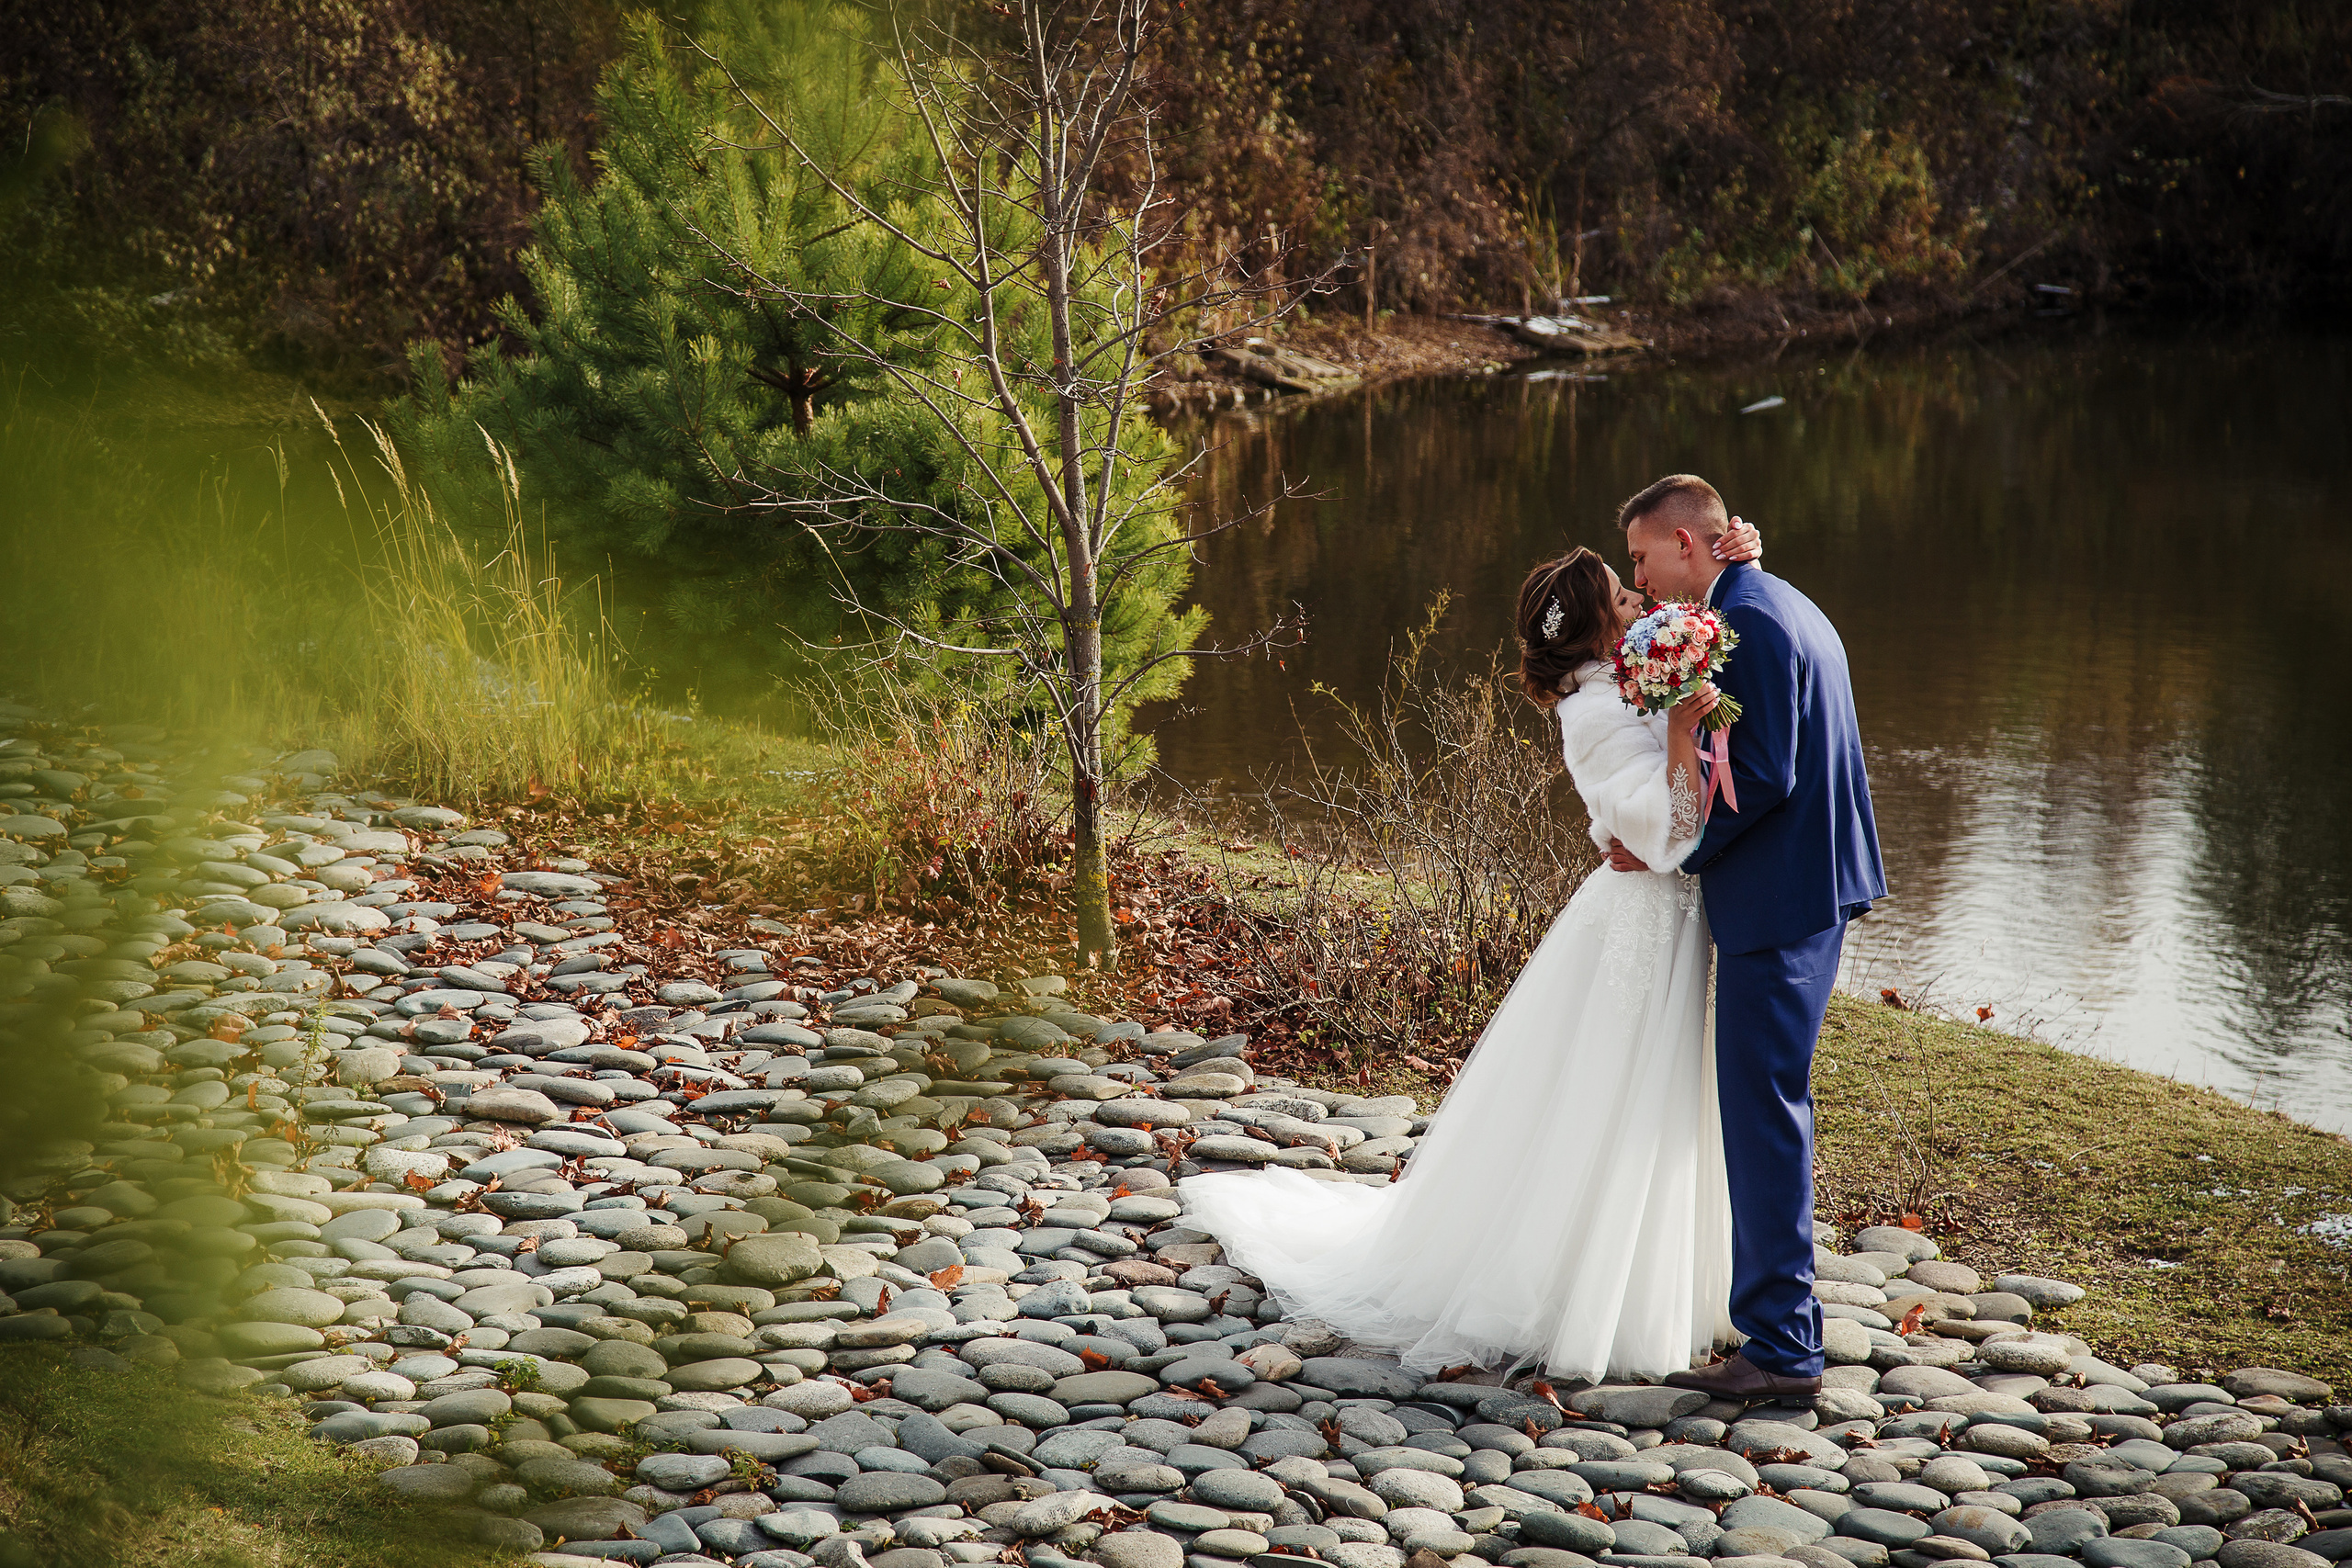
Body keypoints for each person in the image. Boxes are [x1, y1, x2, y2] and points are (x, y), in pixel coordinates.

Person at [1178, 521, 1762, 1381]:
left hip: (1662, 919)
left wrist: (1738, 554)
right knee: (1609, 1099)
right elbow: (1667, 834)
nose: (1642, 603)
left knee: (1650, 1097)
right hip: (1641, 919)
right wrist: (1681, 727)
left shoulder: (1624, 678)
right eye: (1625, 595)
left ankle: (1668, 1279)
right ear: (1599, 626)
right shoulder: (1597, 708)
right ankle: (1580, 1291)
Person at [1611, 474, 1886, 1400]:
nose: (1640, 582)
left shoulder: (1755, 623)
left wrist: (1681, 849)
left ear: (1688, 544)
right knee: (1766, 1109)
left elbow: (1764, 772)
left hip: (1782, 896)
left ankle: (1781, 1350)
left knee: (1763, 1116)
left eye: (1643, 558)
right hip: (1804, 887)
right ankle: (1777, 1326)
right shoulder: (1767, 597)